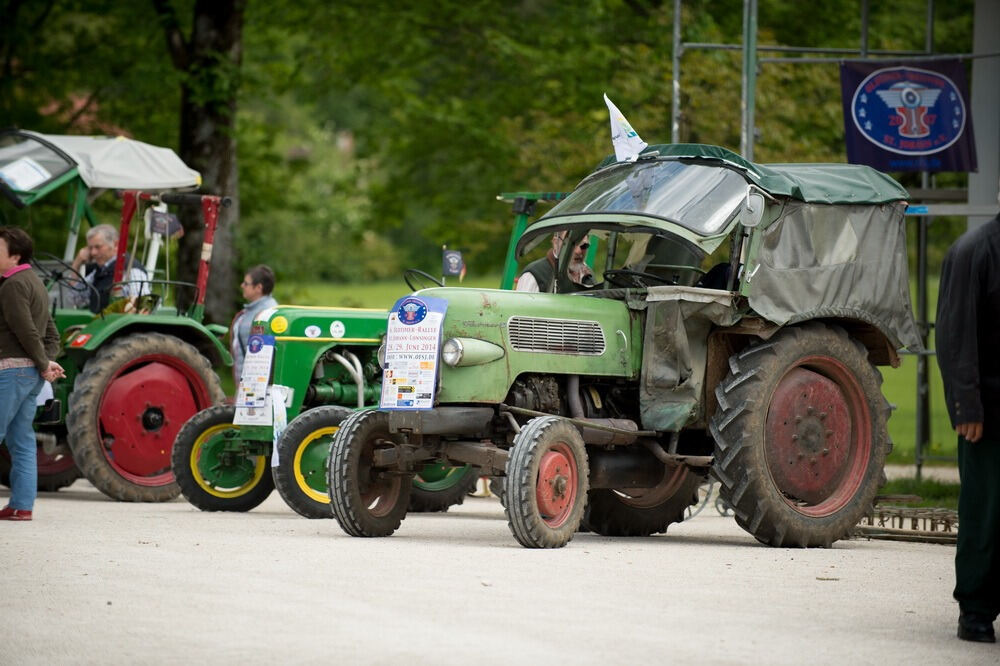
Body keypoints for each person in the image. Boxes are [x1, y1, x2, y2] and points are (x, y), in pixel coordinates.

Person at [935, 187, 1000, 643]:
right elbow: (956, 335)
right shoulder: (973, 251)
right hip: (988, 413)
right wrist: (966, 406)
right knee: (985, 512)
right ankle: (975, 610)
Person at [0, 227, 65, 521]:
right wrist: (46, 362)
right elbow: (52, 333)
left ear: (14, 256)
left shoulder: (12, 285)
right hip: (29, 376)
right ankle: (21, 506)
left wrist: (42, 362)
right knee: (22, 440)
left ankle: (21, 505)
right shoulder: (34, 282)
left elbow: (25, 330)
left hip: (11, 373)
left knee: (16, 439)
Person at [69, 224, 148, 313]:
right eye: (90, 248)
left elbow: (142, 307)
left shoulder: (131, 269)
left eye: (98, 247)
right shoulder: (98, 272)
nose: (93, 252)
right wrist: (76, 264)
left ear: (115, 245)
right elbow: (75, 298)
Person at [231, 265, 278, 382]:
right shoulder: (253, 310)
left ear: (258, 287)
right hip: (247, 383)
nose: (242, 286)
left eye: (246, 284)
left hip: (255, 385)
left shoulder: (268, 313)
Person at [515, 231, 594, 293]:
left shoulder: (589, 276)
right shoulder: (534, 275)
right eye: (571, 244)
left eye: (584, 246)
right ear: (556, 243)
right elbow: (520, 310)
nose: (578, 251)